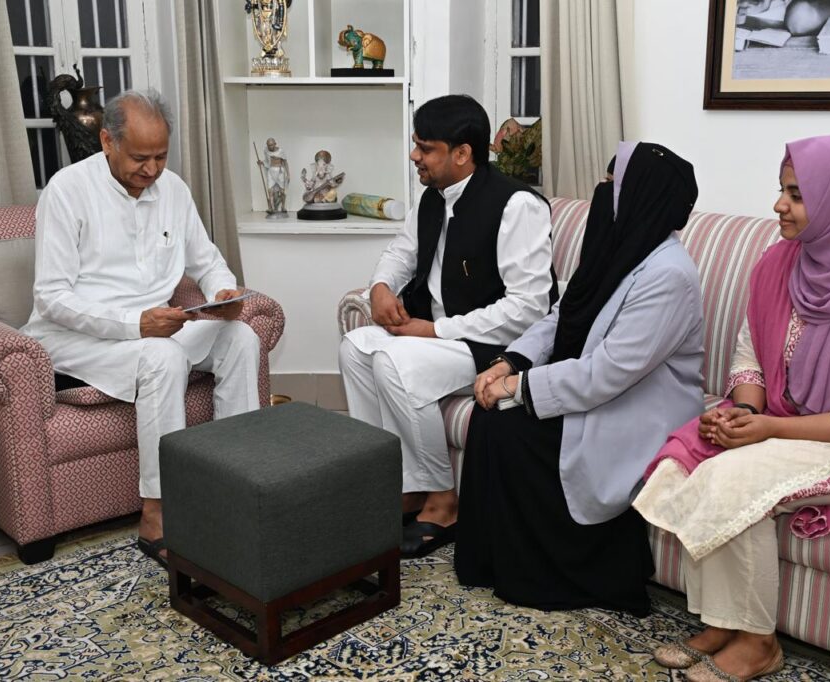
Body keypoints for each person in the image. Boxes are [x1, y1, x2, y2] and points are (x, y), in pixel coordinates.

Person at [633, 134, 830, 681]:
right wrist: (743, 412)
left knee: (741, 476)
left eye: (796, 194)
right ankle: (725, 619)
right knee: (698, 457)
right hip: (787, 419)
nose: (779, 204)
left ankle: (757, 641)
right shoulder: (783, 265)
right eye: (782, 190)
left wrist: (770, 428)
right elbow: (752, 353)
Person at [453, 141, 704, 614]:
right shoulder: (621, 246)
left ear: (643, 196)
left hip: (639, 411)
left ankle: (572, 577)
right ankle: (493, 564)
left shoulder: (670, 275)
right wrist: (511, 362)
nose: (602, 193)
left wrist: (521, 389)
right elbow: (562, 316)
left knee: (512, 430)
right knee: (489, 419)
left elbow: (608, 373)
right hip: (597, 390)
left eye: (614, 185)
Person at [22, 88, 261, 567]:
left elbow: (207, 260)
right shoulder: (67, 191)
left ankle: (241, 485)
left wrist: (222, 293)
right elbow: (52, 297)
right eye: (139, 158)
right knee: (162, 356)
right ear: (107, 141)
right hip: (78, 337)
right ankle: (156, 512)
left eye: (161, 156)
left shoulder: (173, 188)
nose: (151, 170)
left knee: (241, 338)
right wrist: (136, 323)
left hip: (158, 327)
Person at [338, 94, 556, 558]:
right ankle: (395, 484)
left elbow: (530, 308)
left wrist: (436, 331)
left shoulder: (519, 206)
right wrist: (380, 287)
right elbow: (401, 253)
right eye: (416, 145)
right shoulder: (433, 198)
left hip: (494, 346)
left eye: (426, 148)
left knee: (395, 362)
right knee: (355, 347)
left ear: (462, 153)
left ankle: (442, 498)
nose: (415, 156)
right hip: (433, 334)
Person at [258, 137, 289, 214]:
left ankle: (283, 207)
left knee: (282, 191)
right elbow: (267, 161)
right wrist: (261, 162)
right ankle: (271, 208)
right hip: (271, 171)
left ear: (275, 144)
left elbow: (285, 162)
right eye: (268, 145)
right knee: (270, 191)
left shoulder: (281, 151)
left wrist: (288, 174)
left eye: (271, 145)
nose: (270, 147)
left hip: (280, 172)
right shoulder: (266, 150)